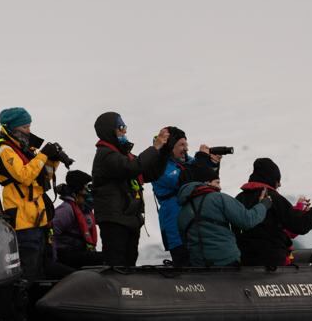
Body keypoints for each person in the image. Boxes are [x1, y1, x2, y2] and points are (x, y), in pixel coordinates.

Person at [0, 107, 74, 279]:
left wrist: (53, 160)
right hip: (22, 221)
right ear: (12, 128)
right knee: (29, 271)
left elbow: (42, 177)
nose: (28, 131)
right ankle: (25, 303)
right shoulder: (5, 150)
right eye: (24, 127)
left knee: (44, 266)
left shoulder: (25, 149)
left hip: (39, 219)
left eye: (29, 126)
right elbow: (24, 176)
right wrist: (42, 155)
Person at [91, 111, 170, 266]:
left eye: (125, 127)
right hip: (114, 220)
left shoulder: (124, 156)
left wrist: (163, 153)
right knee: (117, 265)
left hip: (129, 219)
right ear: (110, 131)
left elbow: (150, 173)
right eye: (120, 127)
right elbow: (133, 168)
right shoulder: (105, 155)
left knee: (129, 263)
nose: (125, 131)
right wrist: (154, 147)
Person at [234, 158, 312, 267]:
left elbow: (269, 224)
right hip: (271, 264)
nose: (279, 185)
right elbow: (300, 225)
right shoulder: (272, 198)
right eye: (278, 181)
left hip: (245, 262)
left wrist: (297, 211)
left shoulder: (239, 199)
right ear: (271, 179)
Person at [176, 160, 273, 267]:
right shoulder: (219, 198)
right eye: (217, 182)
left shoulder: (182, 211)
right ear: (207, 183)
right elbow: (247, 220)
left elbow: (186, 242)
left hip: (199, 266)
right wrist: (263, 205)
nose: (220, 187)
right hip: (226, 262)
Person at [151, 127, 224, 266]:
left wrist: (212, 165)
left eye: (186, 144)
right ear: (170, 147)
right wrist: (202, 159)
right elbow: (185, 179)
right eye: (181, 145)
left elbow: (207, 180)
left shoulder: (188, 162)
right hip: (175, 226)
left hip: (195, 226)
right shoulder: (159, 166)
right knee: (184, 266)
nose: (186, 148)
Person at [51, 169, 105, 268]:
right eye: (85, 188)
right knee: (105, 259)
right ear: (77, 191)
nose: (88, 192)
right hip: (65, 254)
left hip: (80, 251)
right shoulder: (66, 210)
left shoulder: (85, 210)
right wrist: (54, 260)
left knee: (112, 256)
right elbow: (51, 233)